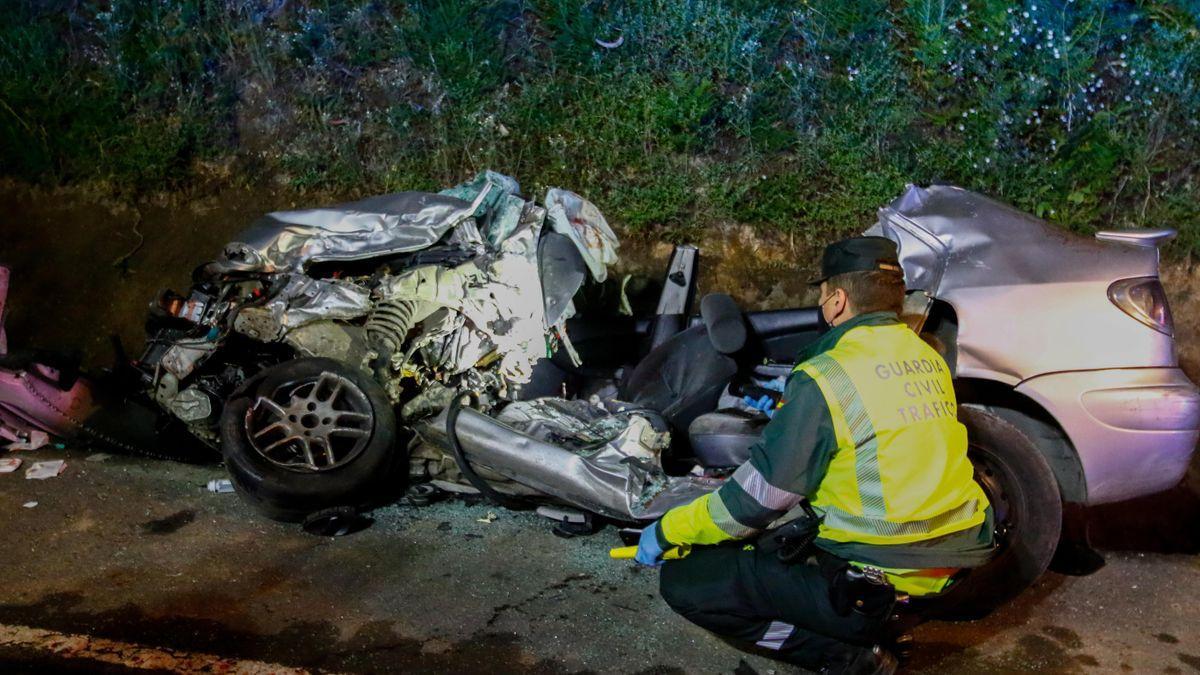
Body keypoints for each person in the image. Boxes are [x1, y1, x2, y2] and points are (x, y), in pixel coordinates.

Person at [636, 237, 994, 674]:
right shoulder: (925, 355)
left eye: (822, 294)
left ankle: (849, 657)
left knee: (689, 582)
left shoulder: (827, 375)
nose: (822, 303)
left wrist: (669, 530)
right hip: (956, 556)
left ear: (838, 300)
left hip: (882, 578)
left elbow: (755, 502)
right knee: (774, 545)